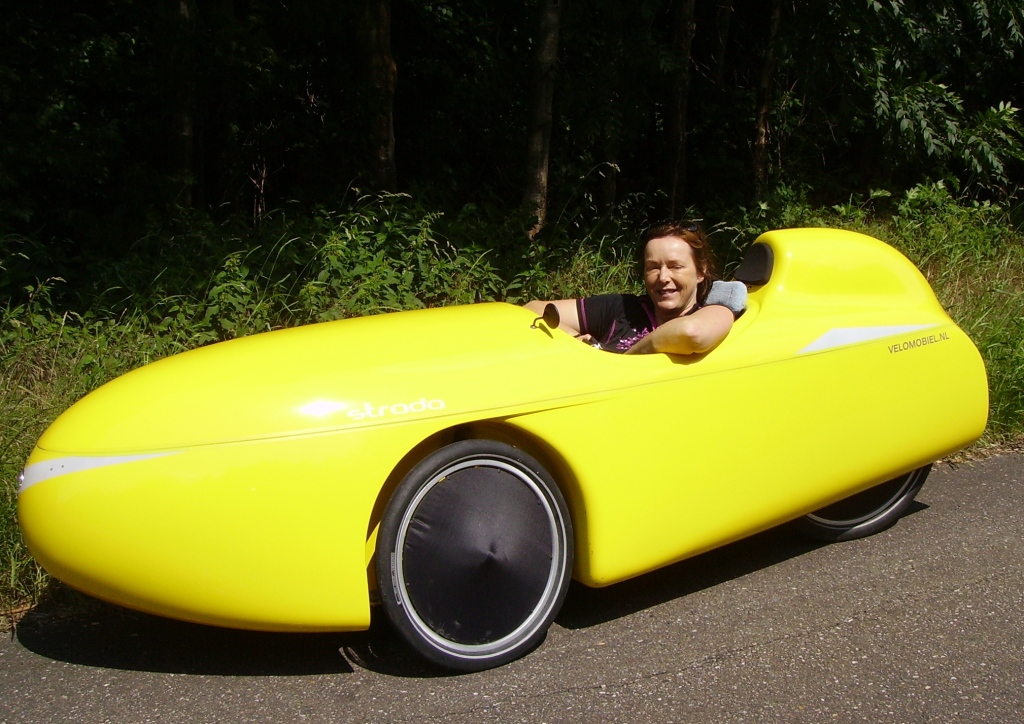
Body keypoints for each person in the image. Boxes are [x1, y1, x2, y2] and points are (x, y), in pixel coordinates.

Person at [523, 221, 745, 355]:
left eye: (675, 266)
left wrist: (620, 361)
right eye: (653, 267)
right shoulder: (623, 308)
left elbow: (691, 334)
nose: (663, 277)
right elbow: (533, 309)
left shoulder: (714, 310)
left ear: (700, 271)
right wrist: (578, 343)